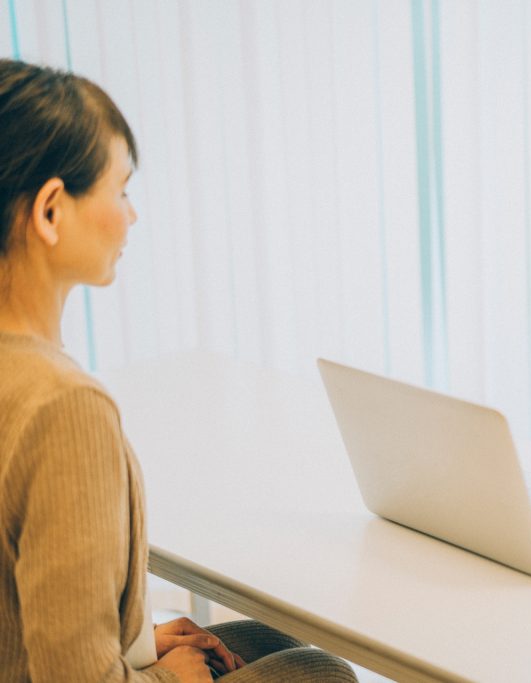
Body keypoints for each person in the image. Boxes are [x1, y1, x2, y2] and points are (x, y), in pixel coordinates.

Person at [0, 59, 358, 682]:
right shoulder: (61, 405)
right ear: (51, 211)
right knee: (319, 673)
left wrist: (136, 640)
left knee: (267, 635)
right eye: (121, 190)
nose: (131, 216)